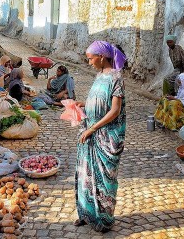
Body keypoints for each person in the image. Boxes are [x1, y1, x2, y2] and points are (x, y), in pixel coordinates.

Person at [74, 40, 126, 232]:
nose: (89, 62)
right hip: (90, 132)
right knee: (86, 173)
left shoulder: (116, 78)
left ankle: (103, 219)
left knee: (104, 179)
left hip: (105, 137)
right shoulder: (99, 75)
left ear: (102, 57)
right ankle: (87, 214)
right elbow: (97, 100)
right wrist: (81, 104)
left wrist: (93, 129)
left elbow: (114, 110)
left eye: (90, 59)